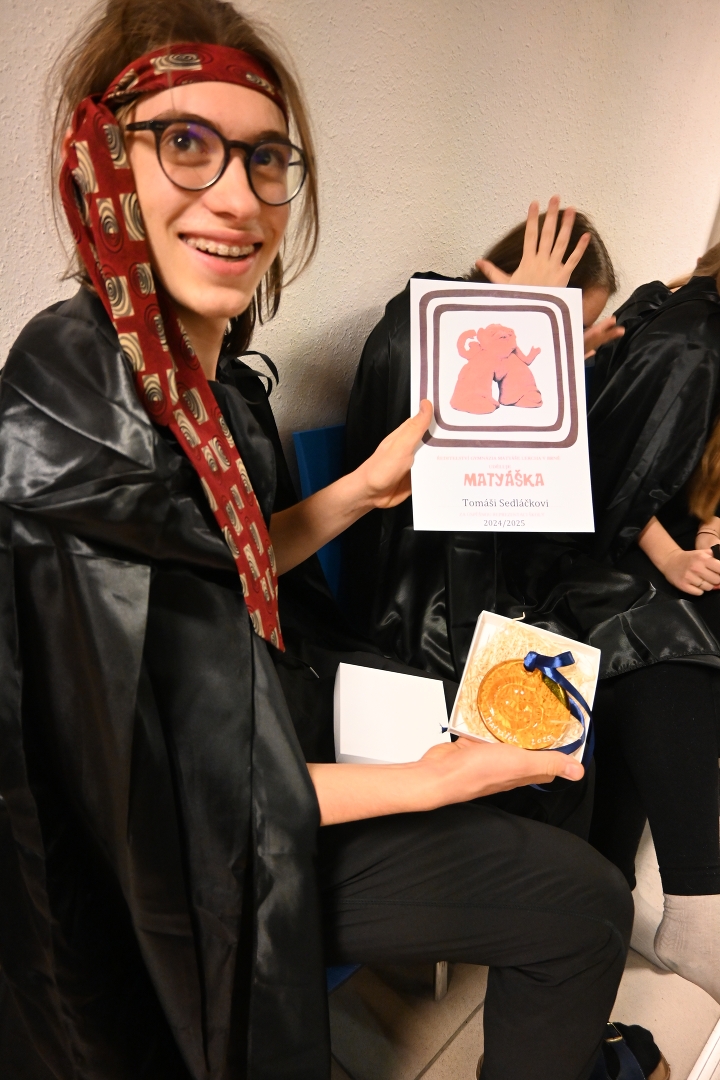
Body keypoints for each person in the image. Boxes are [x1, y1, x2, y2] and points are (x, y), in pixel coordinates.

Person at [0, 5, 634, 1079]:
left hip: (276, 715)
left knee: (560, 750)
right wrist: (430, 781)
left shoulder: (202, 382)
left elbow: (220, 560)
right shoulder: (76, 417)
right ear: (102, 165)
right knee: (585, 905)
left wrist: (359, 490)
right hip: (199, 866)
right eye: (185, 143)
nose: (237, 198)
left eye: (264, 158)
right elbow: (173, 799)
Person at [342, 203, 623, 687]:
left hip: (501, 559)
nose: (574, 343)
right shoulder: (416, 326)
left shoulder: (519, 355)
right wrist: (513, 312)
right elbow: (446, 467)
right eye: (565, 325)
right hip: (419, 579)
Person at [582, 245, 720, 1002]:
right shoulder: (690, 341)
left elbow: (693, 468)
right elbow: (607, 481)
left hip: (635, 540)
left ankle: (618, 893)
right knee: (667, 640)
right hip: (582, 555)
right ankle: (696, 901)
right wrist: (673, 557)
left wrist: (711, 533)